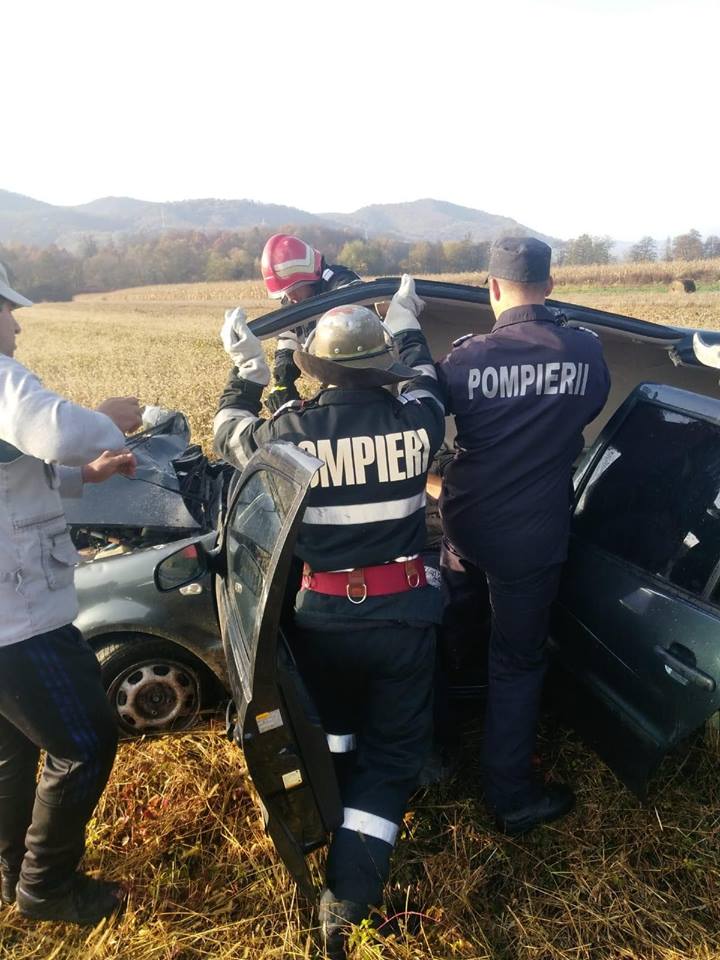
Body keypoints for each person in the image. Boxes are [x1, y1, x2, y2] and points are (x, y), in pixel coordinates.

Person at [213, 275, 445, 958]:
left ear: (319, 370)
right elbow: (429, 381)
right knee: (393, 754)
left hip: (320, 621)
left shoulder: (291, 430)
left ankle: (327, 805)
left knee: (332, 731)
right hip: (403, 618)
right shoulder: (417, 421)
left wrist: (248, 371)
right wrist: (405, 321)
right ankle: (347, 900)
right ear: (382, 367)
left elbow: (228, 434)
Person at [437, 237, 611, 836]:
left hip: (464, 526)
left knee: (456, 626)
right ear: (551, 284)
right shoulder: (585, 351)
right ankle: (511, 797)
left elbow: (437, 412)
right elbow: (586, 411)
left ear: (491, 287)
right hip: (531, 538)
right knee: (516, 660)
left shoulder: (465, 358)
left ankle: (442, 740)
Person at [0, 261, 142, 924]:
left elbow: (17, 470)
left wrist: (88, 474)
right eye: (6, 309)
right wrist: (109, 422)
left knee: (13, 750)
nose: (16, 324)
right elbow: (54, 432)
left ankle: (13, 874)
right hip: (19, 620)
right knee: (85, 742)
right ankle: (46, 888)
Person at [260, 233, 361, 413]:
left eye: (294, 288)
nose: (290, 296)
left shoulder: (342, 285)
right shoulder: (293, 301)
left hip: (364, 377)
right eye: (285, 291)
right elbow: (288, 339)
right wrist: (283, 381)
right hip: (332, 381)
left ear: (311, 276)